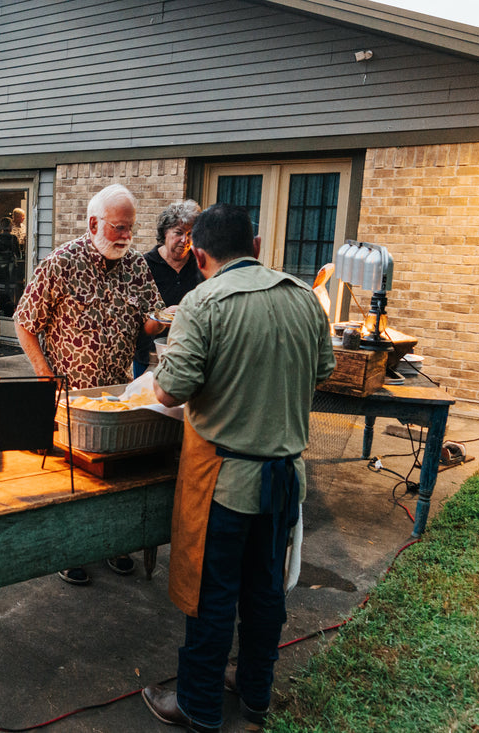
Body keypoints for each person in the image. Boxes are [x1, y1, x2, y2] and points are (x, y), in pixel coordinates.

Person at [141, 204, 335, 733]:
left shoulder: (202, 303)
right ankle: (255, 692)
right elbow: (323, 369)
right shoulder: (303, 296)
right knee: (266, 590)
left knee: (211, 595)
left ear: (199, 255)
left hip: (224, 481)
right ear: (254, 245)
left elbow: (168, 390)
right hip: (284, 478)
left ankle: (198, 706)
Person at [14, 183, 165, 585]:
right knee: (70, 484)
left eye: (130, 228)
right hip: (68, 396)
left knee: (115, 478)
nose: (126, 236)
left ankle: (113, 545)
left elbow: (148, 322)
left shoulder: (136, 266)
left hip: (117, 397)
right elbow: (25, 324)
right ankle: (69, 551)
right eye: (118, 228)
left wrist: (170, 319)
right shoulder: (61, 262)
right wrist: (47, 380)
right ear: (94, 223)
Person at [132, 200, 204, 378]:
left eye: (190, 234)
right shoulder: (144, 264)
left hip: (189, 356)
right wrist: (161, 315)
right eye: (178, 233)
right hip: (149, 357)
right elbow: (134, 316)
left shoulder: (201, 264)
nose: (184, 240)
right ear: (165, 233)